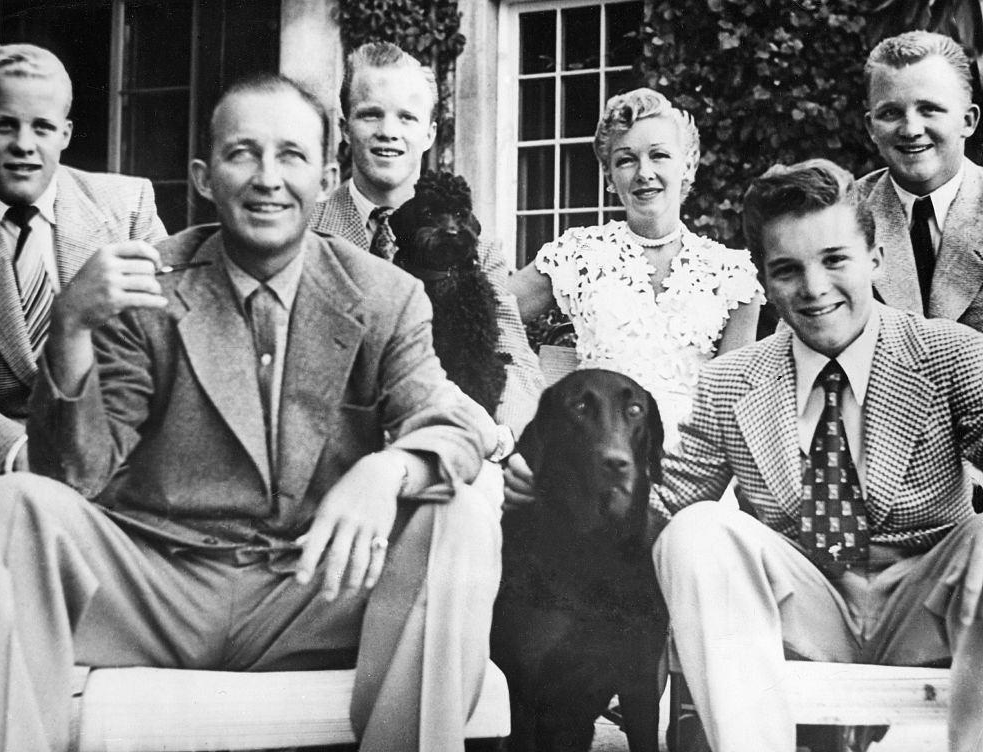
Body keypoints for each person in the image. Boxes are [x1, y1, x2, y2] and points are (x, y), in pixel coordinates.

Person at [0, 74, 501, 752]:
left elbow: (450, 424)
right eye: (243, 153)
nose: (268, 178)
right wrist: (69, 329)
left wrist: (389, 470)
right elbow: (73, 475)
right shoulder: (147, 284)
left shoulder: (383, 296)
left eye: (292, 156)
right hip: (157, 587)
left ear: (326, 174)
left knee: (457, 520)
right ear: (205, 177)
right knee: (5, 507)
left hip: (316, 589)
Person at [641, 159, 982, 752]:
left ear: (874, 258)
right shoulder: (731, 382)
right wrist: (547, 492)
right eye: (788, 270)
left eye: (835, 260)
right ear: (766, 282)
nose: (815, 288)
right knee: (696, 531)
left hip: (928, 607)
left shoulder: (948, 354)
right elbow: (666, 504)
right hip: (800, 614)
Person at [0, 43, 166, 499]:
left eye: (43, 128)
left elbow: (168, 342)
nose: (24, 146)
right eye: (4, 126)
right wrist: (15, 453)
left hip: (118, 458)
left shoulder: (126, 208)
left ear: (66, 133)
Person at [310, 41, 543, 440]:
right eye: (370, 115)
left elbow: (511, 353)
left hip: (452, 444)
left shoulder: (472, 245)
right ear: (346, 126)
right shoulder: (308, 233)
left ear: (430, 132)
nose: (388, 132)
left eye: (407, 117)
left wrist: (506, 436)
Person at [508, 87, 762, 451]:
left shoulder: (732, 275)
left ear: (688, 164)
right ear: (609, 175)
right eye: (626, 160)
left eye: (659, 155)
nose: (644, 173)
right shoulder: (579, 255)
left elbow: (733, 408)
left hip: (695, 468)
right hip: (594, 460)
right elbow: (489, 316)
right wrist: (523, 399)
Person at [859, 30, 983, 331]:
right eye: (890, 113)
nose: (911, 129)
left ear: (968, 121)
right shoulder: (841, 215)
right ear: (871, 127)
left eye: (929, 109)